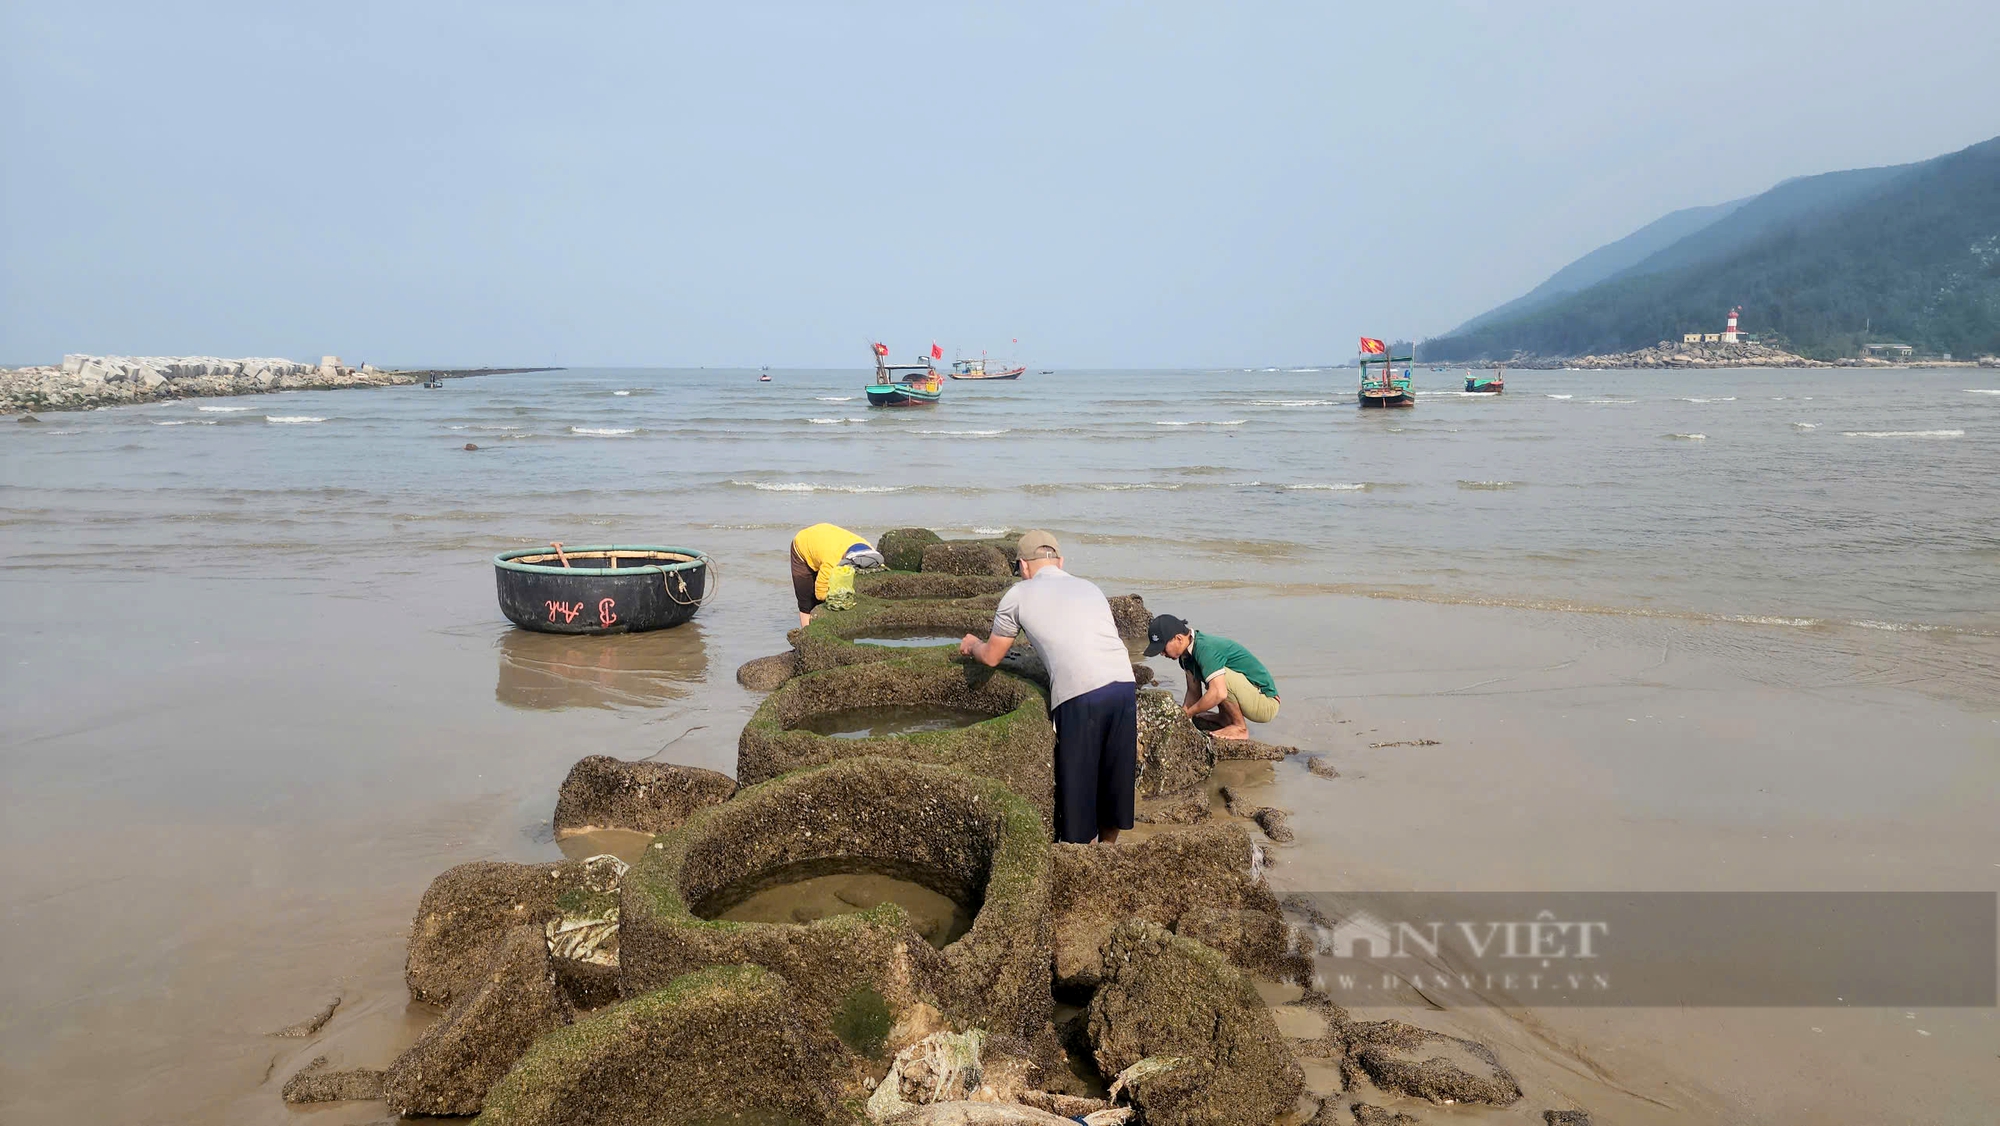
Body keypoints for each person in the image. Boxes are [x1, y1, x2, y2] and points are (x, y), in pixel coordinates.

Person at [960, 530, 1137, 845]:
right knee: (1115, 780)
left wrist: (973, 644)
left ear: (1023, 567)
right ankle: (1108, 852)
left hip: (1080, 693)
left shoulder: (1017, 594)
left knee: (1078, 788)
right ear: (1061, 561)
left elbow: (992, 657)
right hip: (1123, 684)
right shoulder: (1090, 588)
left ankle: (1077, 856)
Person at [1144, 614, 1279, 740]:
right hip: (1247, 694)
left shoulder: (1205, 649)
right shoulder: (1185, 657)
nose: (1162, 653)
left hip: (1266, 702)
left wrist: (1191, 713)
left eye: (1163, 648)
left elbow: (1219, 693)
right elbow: (1193, 692)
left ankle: (1240, 727)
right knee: (1214, 678)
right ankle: (1225, 718)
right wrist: (1181, 717)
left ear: (1179, 638)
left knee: (1218, 682)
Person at [789, 523, 884, 628]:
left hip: (825, 539)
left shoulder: (871, 553)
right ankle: (807, 634)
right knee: (807, 602)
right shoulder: (831, 562)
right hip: (803, 545)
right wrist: (838, 600)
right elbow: (820, 594)